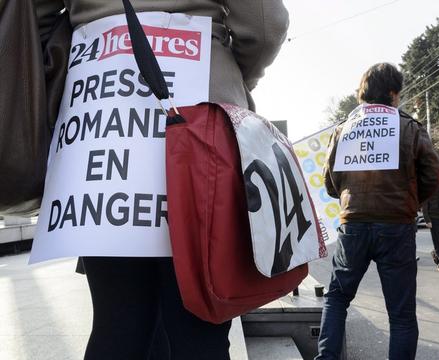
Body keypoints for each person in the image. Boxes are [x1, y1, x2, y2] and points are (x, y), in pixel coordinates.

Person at [33, 1, 290, 359]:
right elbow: (265, 24)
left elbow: (36, 19)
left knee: (117, 323)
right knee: (200, 327)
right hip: (200, 107)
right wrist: (229, 71)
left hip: (97, 110)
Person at [317, 63, 439, 360]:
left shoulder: (344, 129)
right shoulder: (408, 126)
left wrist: (348, 196)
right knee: (401, 314)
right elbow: (435, 173)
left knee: (336, 299)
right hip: (397, 225)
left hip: (353, 224)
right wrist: (410, 201)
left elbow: (329, 181)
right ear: (392, 93)